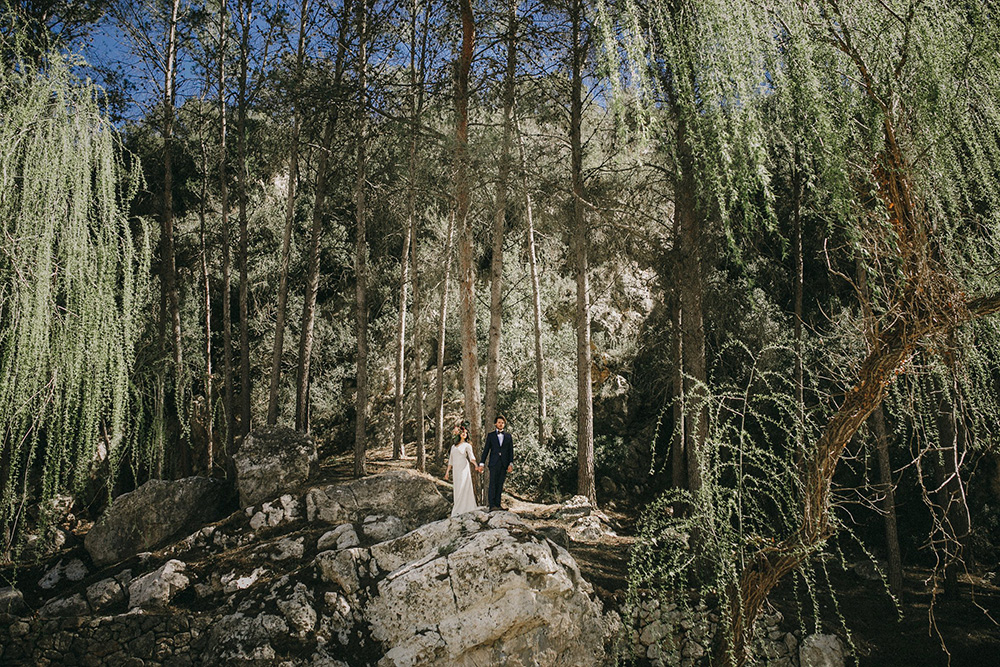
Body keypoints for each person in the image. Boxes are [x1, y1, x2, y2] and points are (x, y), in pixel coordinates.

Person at [479, 415, 513, 511]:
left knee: (500, 484)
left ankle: (498, 505)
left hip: (504, 464)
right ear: (495, 424)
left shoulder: (508, 436)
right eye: (499, 422)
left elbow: (511, 451)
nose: (500, 424)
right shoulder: (491, 435)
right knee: (493, 483)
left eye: (502, 423)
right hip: (494, 463)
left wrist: (511, 464)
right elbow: (486, 450)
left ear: (504, 424)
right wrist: (481, 463)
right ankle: (492, 505)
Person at [444, 424, 479, 516]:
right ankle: (458, 508)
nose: (465, 434)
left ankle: (466, 508)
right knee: (457, 488)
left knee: (464, 486)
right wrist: (447, 472)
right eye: (463, 432)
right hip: (456, 469)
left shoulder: (467, 445)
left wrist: (476, 465)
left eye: (466, 433)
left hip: (464, 468)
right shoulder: (453, 447)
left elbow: (471, 457)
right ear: (459, 434)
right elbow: (450, 461)